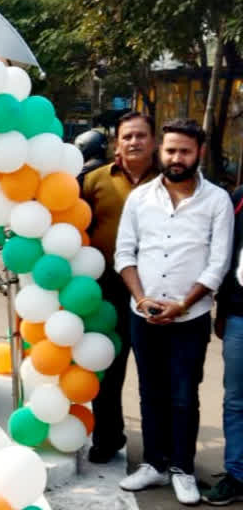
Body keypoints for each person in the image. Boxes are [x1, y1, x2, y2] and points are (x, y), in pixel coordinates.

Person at [115, 118, 233, 505]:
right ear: (160, 152)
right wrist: (142, 299)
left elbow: (218, 263)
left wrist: (182, 303)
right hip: (143, 312)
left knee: (183, 395)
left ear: (198, 152)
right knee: (149, 392)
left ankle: (182, 468)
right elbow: (125, 253)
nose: (176, 157)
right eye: (170, 150)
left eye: (184, 150)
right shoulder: (140, 198)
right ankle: (154, 464)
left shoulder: (217, 201)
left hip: (190, 317)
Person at [81, 111, 160, 465]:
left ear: (153, 141)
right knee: (108, 368)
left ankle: (162, 449)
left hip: (158, 289)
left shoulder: (170, 180)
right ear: (117, 142)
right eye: (127, 136)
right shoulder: (94, 180)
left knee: (156, 374)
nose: (134, 142)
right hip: (107, 290)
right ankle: (107, 437)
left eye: (141, 136)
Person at [204, 188, 243, 504]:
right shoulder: (240, 197)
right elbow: (226, 254)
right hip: (240, 316)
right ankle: (236, 473)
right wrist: (222, 310)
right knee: (236, 401)